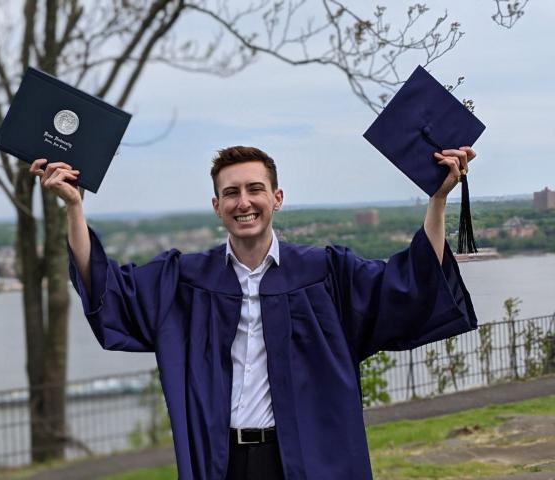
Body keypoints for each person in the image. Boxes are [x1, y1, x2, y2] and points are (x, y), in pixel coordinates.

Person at [30, 145, 477, 480]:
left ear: (277, 197)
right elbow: (108, 291)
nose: (243, 202)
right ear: (216, 206)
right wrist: (74, 206)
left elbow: (409, 286)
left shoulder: (326, 273)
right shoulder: (185, 280)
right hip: (223, 462)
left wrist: (437, 200)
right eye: (231, 193)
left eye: (254, 189)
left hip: (304, 460)